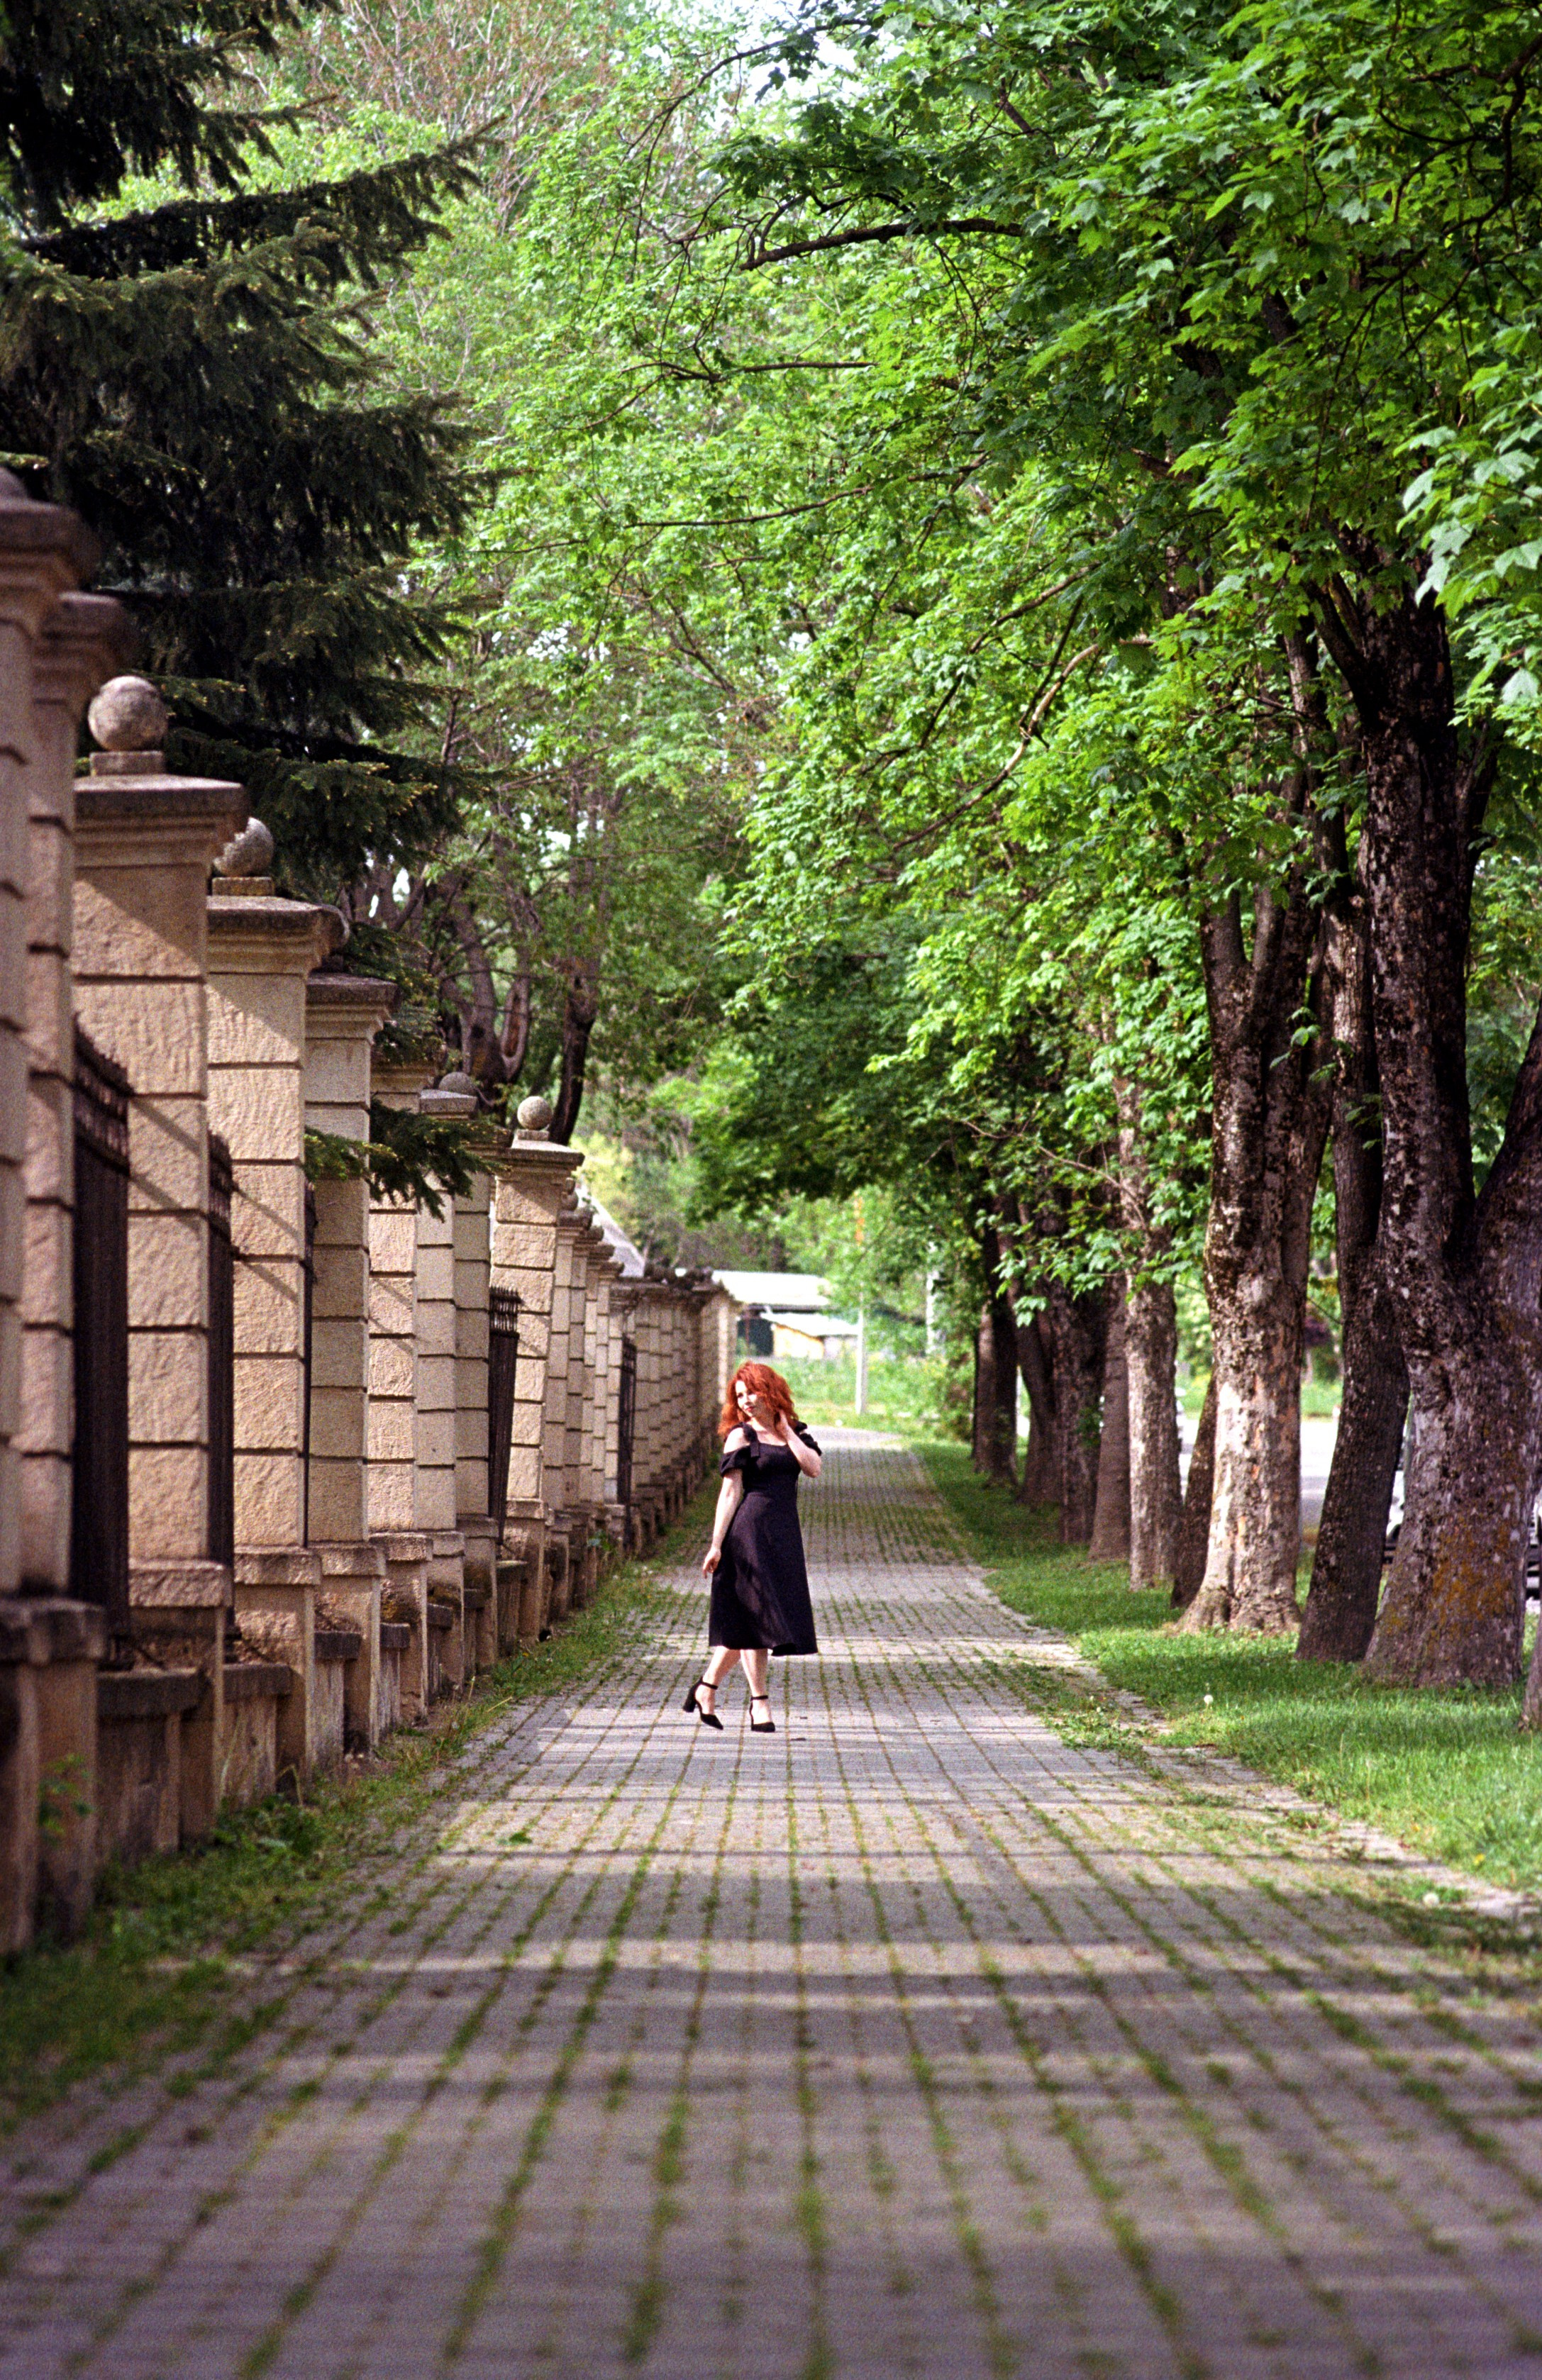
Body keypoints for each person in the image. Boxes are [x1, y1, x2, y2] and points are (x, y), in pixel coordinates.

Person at [685, 1361, 822, 1735]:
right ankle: (759, 1703)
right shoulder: (740, 1437)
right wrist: (716, 1545)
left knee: (751, 1620)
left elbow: (813, 1469)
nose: (745, 1401)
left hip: (784, 1534)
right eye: (739, 1395)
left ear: (769, 1390)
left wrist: (785, 1431)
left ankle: (706, 1688)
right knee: (759, 1618)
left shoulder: (795, 1432)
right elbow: (730, 1493)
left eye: (751, 1392)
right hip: (749, 1534)